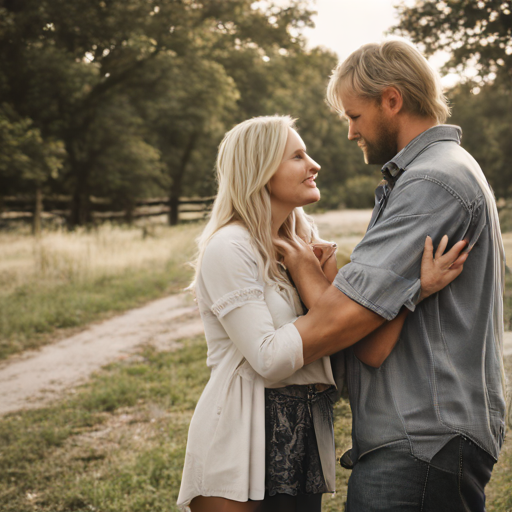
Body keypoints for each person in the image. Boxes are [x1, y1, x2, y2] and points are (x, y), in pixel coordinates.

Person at [176, 115, 468, 512]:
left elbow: (364, 351)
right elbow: (270, 358)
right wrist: (320, 290)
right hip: (241, 434)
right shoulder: (230, 247)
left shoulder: (305, 248)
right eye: (297, 156)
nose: (314, 164)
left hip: (307, 434)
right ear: (259, 170)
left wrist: (415, 288)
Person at [276, 40, 507, 511]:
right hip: (416, 433)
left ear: (392, 100)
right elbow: (368, 331)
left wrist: (300, 264)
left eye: (354, 116)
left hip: (420, 437)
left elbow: (348, 322)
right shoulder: (433, 174)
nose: (349, 132)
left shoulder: (432, 183)